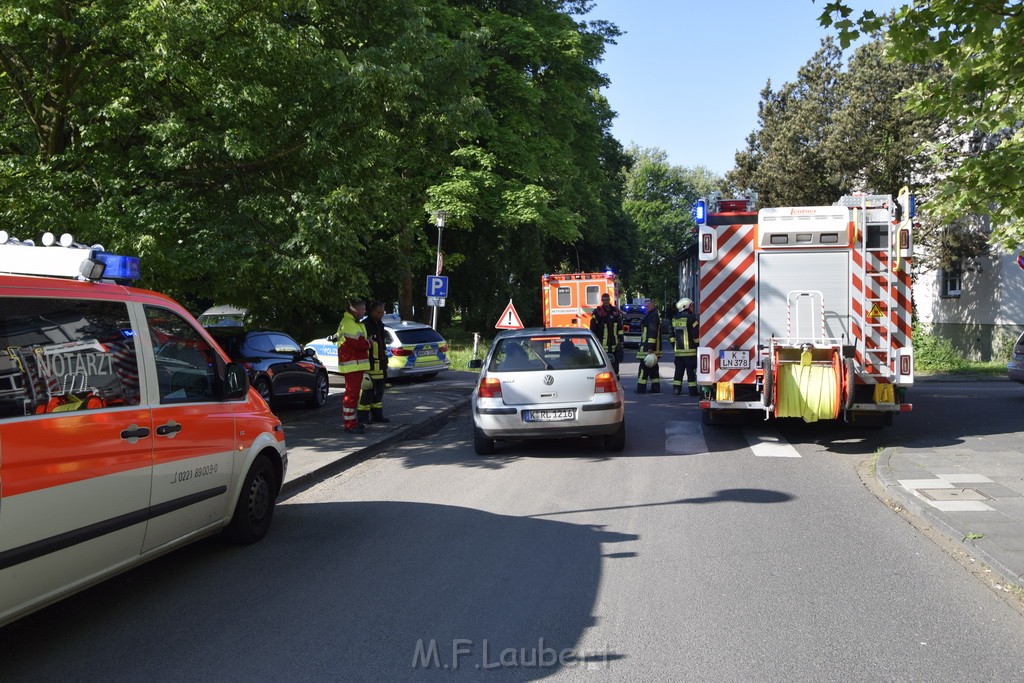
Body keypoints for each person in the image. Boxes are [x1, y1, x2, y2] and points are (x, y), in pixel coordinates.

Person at [336, 298, 370, 434]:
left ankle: (352, 422)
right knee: (351, 395)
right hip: (353, 365)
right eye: (363, 309)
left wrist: (366, 342)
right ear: (355, 309)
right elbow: (358, 344)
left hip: (355, 364)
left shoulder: (350, 322)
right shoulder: (349, 323)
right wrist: (369, 343)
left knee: (354, 395)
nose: (364, 311)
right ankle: (349, 424)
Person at [357, 301, 390, 425]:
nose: (381, 315)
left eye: (382, 312)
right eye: (378, 312)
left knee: (379, 393)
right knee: (367, 392)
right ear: (372, 311)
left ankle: (377, 415)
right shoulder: (365, 325)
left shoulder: (380, 325)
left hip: (380, 365)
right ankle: (363, 417)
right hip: (369, 365)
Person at [590, 292, 624, 376]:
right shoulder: (597, 312)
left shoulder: (615, 311)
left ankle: (616, 384)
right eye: (604, 300)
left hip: (615, 344)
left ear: (610, 300)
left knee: (615, 367)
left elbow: (620, 328)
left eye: (608, 299)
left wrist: (621, 340)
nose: (606, 301)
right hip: (602, 345)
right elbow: (593, 328)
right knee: (604, 366)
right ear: (602, 300)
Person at [671, 297, 700, 396]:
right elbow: (695, 334)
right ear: (686, 307)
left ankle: (676, 389)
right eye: (691, 306)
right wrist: (698, 345)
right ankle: (693, 391)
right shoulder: (691, 318)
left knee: (678, 372)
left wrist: (675, 347)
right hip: (690, 351)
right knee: (691, 372)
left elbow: (671, 336)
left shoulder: (674, 318)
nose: (692, 307)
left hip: (678, 352)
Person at [636, 300, 662, 393]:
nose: (645, 308)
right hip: (652, 348)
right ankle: (655, 388)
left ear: (651, 306)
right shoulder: (652, 315)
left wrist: (650, 348)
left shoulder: (652, 316)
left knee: (643, 369)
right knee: (653, 369)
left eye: (646, 306)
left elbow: (652, 332)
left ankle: (641, 389)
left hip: (648, 348)